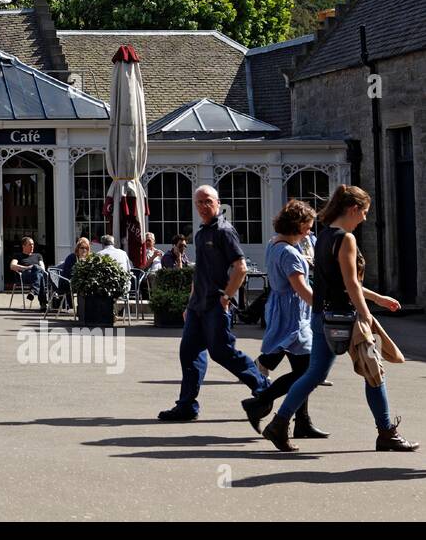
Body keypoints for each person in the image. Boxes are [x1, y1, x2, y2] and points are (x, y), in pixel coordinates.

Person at [261, 186, 417, 452]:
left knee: (314, 374)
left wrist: (377, 298)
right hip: (344, 317)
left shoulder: (323, 237)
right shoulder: (346, 239)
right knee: (373, 372)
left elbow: (338, 282)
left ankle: (279, 423)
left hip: (322, 314)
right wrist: (366, 315)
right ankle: (386, 433)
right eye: (364, 212)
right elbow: (350, 284)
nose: (365, 219)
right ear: (353, 209)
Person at [158, 185, 270, 422]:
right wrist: (190, 305)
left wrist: (227, 296)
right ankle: (187, 405)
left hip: (215, 306)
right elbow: (200, 272)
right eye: (199, 202)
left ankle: (263, 389)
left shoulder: (224, 231)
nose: (203, 206)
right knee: (189, 353)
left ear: (218, 203)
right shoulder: (201, 233)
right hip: (198, 306)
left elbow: (241, 268)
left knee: (222, 352)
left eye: (207, 201)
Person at [241, 201, 325, 438]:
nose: (309, 231)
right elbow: (301, 289)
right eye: (308, 227)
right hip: (293, 319)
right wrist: (322, 309)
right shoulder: (289, 253)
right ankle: (259, 403)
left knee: (303, 370)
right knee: (309, 372)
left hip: (282, 313)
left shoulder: (274, 244)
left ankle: (302, 422)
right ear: (297, 225)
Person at [9, 236, 49, 312]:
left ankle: (33, 291)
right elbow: (12, 266)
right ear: (23, 246)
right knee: (38, 272)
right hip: (25, 275)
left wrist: (35, 267)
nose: (32, 246)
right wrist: (27, 268)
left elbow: (42, 268)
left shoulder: (38, 255)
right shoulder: (18, 255)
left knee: (39, 273)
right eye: (30, 244)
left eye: (33, 244)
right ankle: (42, 302)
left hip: (37, 275)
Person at [54, 237, 91, 309]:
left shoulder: (89, 258)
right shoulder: (71, 257)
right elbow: (68, 273)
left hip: (80, 282)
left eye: (86, 248)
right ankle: (79, 308)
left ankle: (86, 308)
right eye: (82, 248)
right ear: (77, 249)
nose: (84, 250)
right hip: (67, 282)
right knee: (82, 286)